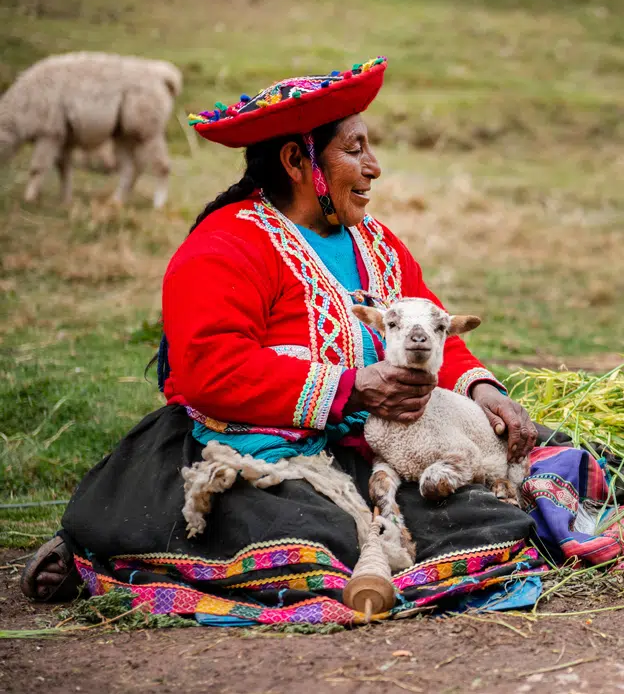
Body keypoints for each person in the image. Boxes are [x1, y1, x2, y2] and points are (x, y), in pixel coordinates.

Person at [19, 57, 549, 622]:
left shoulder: (378, 244)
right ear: (298, 160)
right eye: (355, 149)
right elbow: (210, 368)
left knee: (501, 502)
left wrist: (482, 392)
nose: (374, 168)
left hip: (378, 445)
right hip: (256, 448)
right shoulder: (225, 246)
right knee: (309, 544)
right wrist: (351, 388)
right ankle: (92, 549)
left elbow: (433, 331)